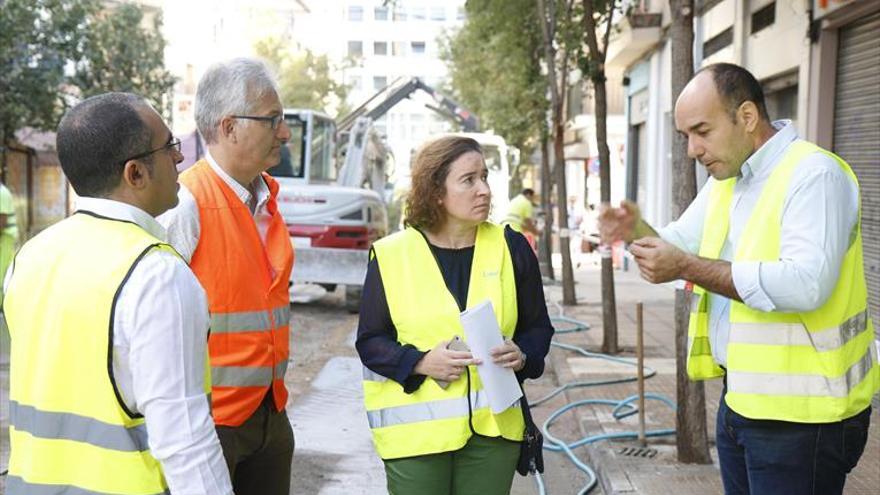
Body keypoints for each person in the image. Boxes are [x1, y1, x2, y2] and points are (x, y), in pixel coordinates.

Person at [599, 63, 879, 494]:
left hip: (805, 419)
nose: (692, 149)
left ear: (746, 117)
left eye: (702, 131)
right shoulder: (727, 180)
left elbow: (806, 284)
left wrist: (687, 267)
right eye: (685, 136)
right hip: (741, 402)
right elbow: (677, 246)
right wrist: (634, 231)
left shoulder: (814, 175)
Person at [2, 93, 232, 494]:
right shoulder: (156, 273)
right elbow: (185, 442)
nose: (179, 159)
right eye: (169, 147)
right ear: (135, 173)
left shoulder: (31, 257)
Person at [356, 136, 554, 495]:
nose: (484, 190)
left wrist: (523, 354)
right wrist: (419, 362)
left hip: (494, 433)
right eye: (468, 180)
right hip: (415, 438)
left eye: (485, 177)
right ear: (436, 192)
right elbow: (370, 341)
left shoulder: (512, 248)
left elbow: (538, 327)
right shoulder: (391, 255)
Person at [159, 57, 295, 495]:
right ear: (230, 127)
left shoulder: (266, 198)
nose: (285, 132)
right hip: (208, 425)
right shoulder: (185, 205)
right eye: (273, 119)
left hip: (270, 413)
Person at [0, 180, 18, 305]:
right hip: (5, 237)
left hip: (5, 237)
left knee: (1, 271)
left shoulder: (2, 193)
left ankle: (2, 304)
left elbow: (2, 221)